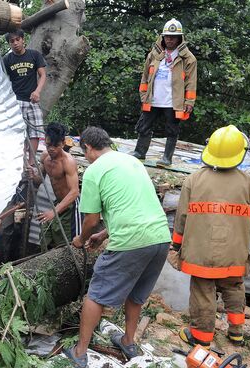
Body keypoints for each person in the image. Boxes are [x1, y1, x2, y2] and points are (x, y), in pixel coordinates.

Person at [63, 127, 171, 367]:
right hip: (160, 237)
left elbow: (90, 219)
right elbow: (133, 206)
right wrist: (103, 235)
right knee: (137, 294)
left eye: (85, 152)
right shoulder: (132, 161)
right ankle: (128, 341)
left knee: (96, 295)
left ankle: (80, 352)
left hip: (131, 241)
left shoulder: (94, 171)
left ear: (89, 148)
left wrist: (81, 239)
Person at [171, 125, 250, 347]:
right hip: (234, 254)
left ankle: (201, 337)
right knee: (234, 288)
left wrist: (176, 246)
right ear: (239, 154)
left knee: (203, 293)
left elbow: (181, 218)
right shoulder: (247, 182)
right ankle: (237, 332)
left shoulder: (193, 180)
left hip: (200, 254)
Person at [131, 18, 197, 167]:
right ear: (162, 37)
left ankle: (167, 158)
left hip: (173, 101)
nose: (170, 40)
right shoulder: (154, 54)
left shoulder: (188, 59)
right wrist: (143, 95)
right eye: (167, 36)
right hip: (153, 98)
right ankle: (140, 152)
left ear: (180, 38)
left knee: (172, 129)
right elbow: (145, 76)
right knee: (144, 125)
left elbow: (191, 82)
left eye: (173, 37)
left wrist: (189, 102)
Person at [28, 123, 80, 250]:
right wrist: (33, 175)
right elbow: (39, 180)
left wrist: (54, 212)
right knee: (45, 237)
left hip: (70, 207)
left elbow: (74, 192)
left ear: (62, 144)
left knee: (65, 244)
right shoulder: (45, 157)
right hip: (57, 203)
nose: (51, 149)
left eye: (55, 146)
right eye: (48, 145)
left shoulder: (68, 162)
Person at [3, 29, 47, 165]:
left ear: (23, 40)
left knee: (35, 132)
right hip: (16, 101)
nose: (15, 43)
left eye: (17, 39)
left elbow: (43, 74)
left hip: (33, 100)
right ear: (9, 44)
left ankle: (32, 162)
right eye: (12, 41)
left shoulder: (34, 55)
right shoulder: (7, 60)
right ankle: (22, 163)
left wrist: (37, 91)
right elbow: (3, 80)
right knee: (18, 133)